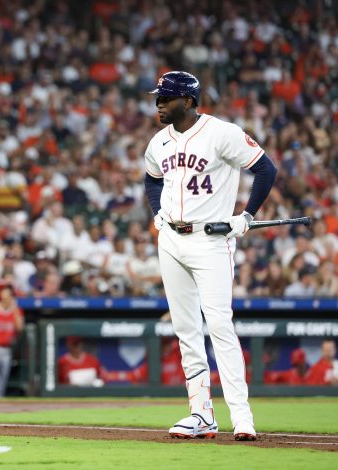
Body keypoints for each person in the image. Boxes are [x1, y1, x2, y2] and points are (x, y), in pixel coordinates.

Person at [144, 71, 277, 441]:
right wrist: (156, 210)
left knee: (219, 325)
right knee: (186, 329)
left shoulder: (223, 133)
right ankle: (200, 414)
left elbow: (266, 169)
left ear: (187, 101)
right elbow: (152, 177)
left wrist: (246, 216)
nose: (158, 104)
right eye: (157, 98)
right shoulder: (159, 142)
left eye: (165, 98)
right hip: (171, 239)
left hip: (211, 240)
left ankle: (243, 416)